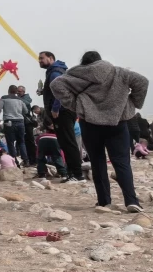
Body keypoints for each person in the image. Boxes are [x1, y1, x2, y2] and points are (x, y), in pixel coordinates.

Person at [50, 51, 146, 213]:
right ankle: (131, 200)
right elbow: (142, 82)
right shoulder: (119, 72)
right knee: (121, 162)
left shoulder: (78, 74)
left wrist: (75, 105)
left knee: (98, 162)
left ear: (85, 62)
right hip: (117, 123)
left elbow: (56, 85)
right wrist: (132, 103)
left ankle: (103, 201)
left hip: (90, 123)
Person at [39, 52, 83, 182]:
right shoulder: (57, 71)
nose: (40, 61)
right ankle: (72, 173)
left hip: (62, 111)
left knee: (68, 142)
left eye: (42, 58)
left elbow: (60, 90)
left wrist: (55, 108)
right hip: (65, 110)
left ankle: (77, 174)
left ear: (51, 58)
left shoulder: (55, 72)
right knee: (65, 143)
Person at [0, 85, 26, 167]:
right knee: (21, 142)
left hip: (9, 122)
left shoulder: (4, 98)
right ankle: (26, 160)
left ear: (8, 90)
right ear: (16, 92)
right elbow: (25, 110)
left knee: (10, 142)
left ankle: (14, 160)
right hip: (20, 121)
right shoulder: (20, 99)